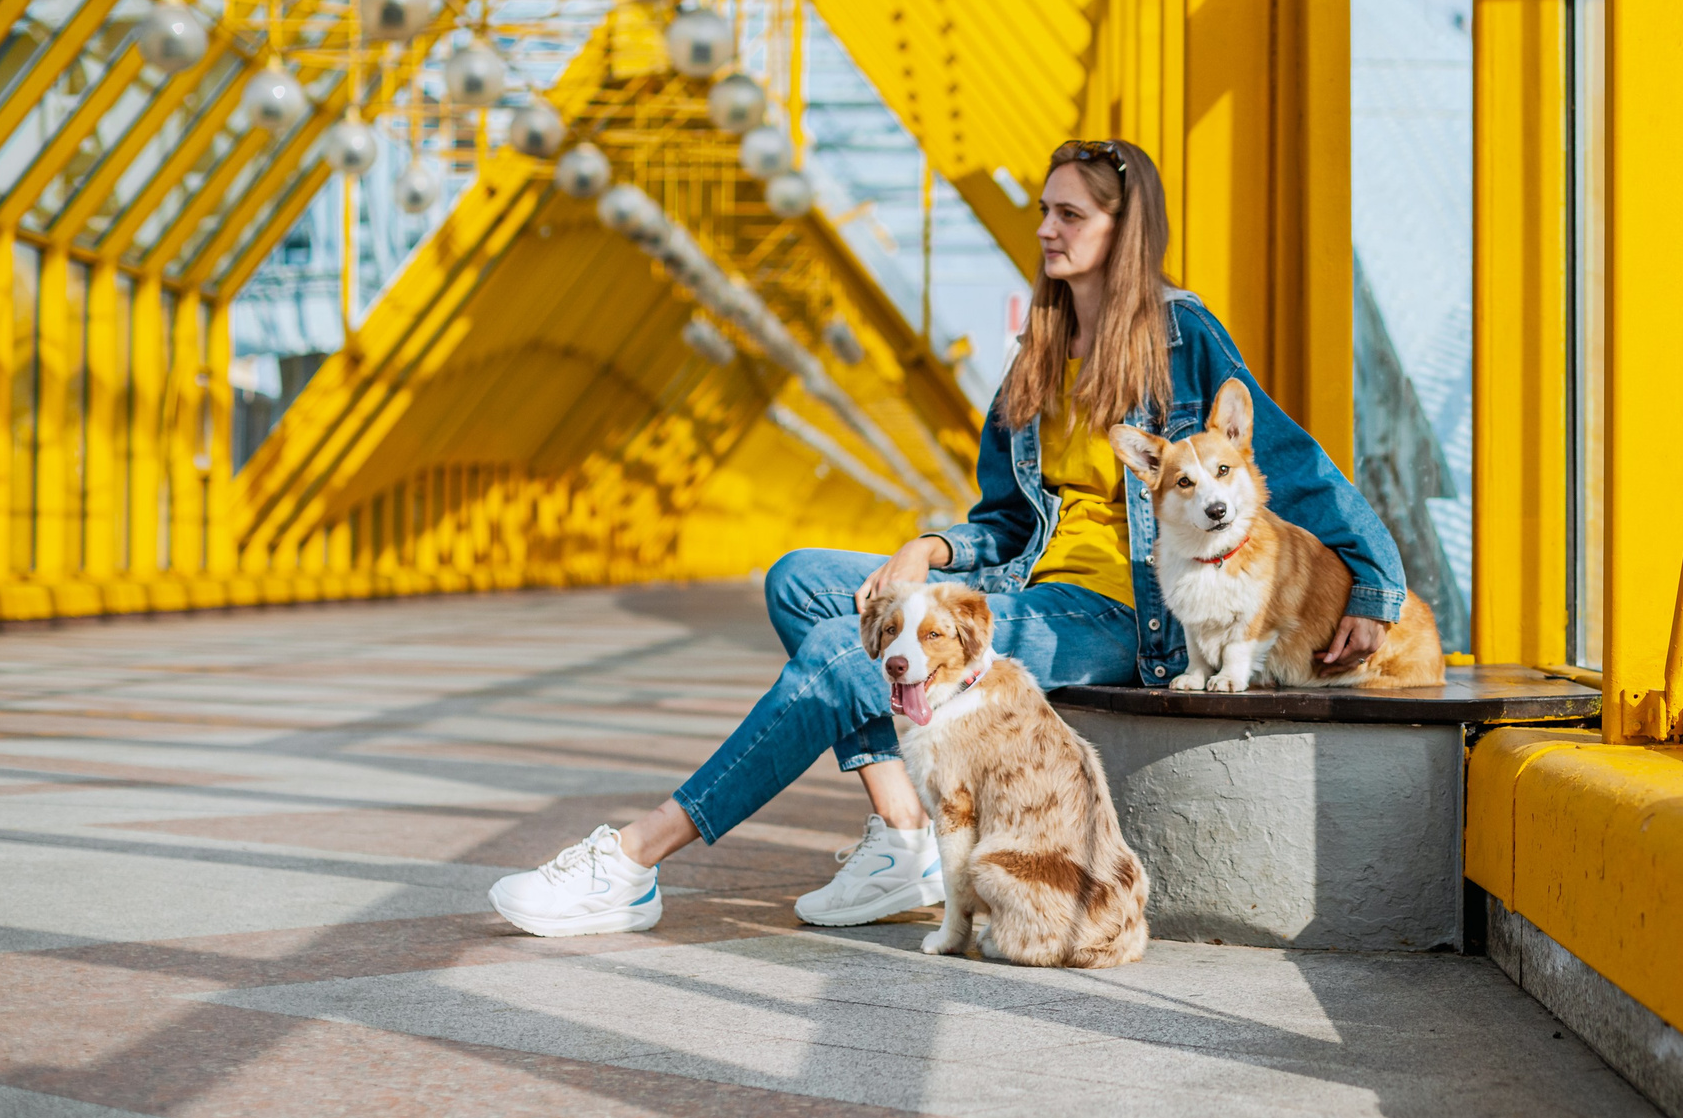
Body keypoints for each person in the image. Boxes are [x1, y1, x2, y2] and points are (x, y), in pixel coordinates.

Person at [488, 138, 1411, 936]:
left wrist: (1374, 590)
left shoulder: (1180, 334)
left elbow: (1285, 461)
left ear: (1123, 232)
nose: (1046, 228)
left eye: (1069, 214)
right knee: (803, 583)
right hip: (1026, 588)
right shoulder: (1039, 356)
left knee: (848, 656)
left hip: (1124, 617)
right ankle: (904, 840)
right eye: (1044, 211)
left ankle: (636, 858)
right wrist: (928, 552)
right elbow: (1007, 520)